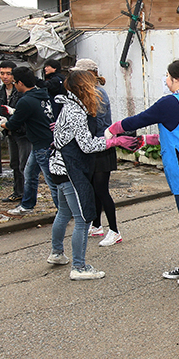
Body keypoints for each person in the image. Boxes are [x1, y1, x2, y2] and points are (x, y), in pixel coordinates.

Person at [105, 59, 179, 287]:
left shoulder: (171, 102)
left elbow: (140, 119)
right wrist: (145, 140)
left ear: (175, 79)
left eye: (166, 75)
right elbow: (175, 133)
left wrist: (113, 129)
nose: (165, 80)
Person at [47, 70, 138, 280]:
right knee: (83, 218)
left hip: (58, 169)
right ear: (84, 88)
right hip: (70, 170)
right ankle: (79, 267)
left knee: (63, 212)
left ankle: (57, 253)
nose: (96, 90)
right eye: (92, 85)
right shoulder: (76, 112)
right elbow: (87, 145)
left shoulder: (68, 106)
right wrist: (115, 141)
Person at [71, 59, 122, 247]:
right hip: (95, 146)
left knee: (101, 190)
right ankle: (97, 225)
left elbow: (99, 124)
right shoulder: (89, 92)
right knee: (94, 188)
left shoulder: (97, 93)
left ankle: (114, 230)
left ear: (88, 74)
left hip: (101, 146)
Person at [0, 66, 59, 216]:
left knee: (51, 180)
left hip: (42, 145)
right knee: (30, 174)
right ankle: (27, 205)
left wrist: (2, 124)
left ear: (20, 83)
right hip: (43, 142)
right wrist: (13, 112)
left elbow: (13, 124)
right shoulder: (42, 95)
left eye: (14, 82)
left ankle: (65, 210)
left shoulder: (25, 100)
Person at [0, 61, 30, 203]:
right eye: (2, 73)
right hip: (9, 132)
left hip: (23, 133)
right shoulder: (0, 91)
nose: (5, 77)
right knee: (14, 164)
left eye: (8, 73)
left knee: (25, 165)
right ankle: (18, 192)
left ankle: (28, 195)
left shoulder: (21, 90)